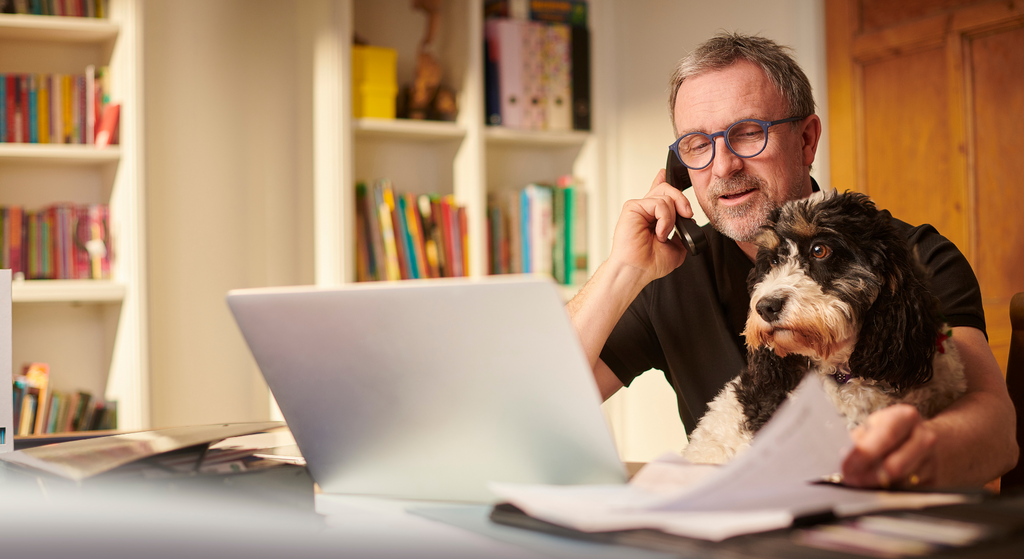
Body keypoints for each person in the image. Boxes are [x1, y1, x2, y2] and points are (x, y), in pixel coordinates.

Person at [566, 32, 1018, 489]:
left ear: (805, 140)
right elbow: (531, 400)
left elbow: (998, 432)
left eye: (747, 133)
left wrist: (911, 453)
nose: (723, 168)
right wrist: (623, 270)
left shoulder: (911, 258)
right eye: (697, 145)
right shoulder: (670, 271)